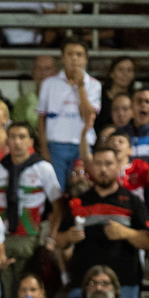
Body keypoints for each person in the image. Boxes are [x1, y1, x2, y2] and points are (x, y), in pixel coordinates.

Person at [57, 145, 149, 298]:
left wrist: (126, 233)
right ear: (92, 167)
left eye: (108, 164)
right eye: (98, 163)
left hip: (124, 284)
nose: (103, 169)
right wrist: (69, 236)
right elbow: (59, 240)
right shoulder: (79, 201)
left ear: (118, 166)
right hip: (83, 283)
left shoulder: (133, 201)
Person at [0, 122, 63, 298]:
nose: (17, 142)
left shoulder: (43, 168)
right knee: (6, 292)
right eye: (12, 137)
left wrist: (51, 238)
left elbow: (58, 207)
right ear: (6, 141)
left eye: (22, 137)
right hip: (1, 239)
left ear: (31, 141)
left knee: (27, 288)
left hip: (30, 239)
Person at [38, 39, 101, 190]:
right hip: (56, 145)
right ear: (62, 57)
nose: (74, 58)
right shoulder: (49, 83)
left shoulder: (94, 84)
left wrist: (80, 86)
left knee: (82, 189)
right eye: (70, 54)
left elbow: (87, 116)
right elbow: (41, 119)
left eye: (79, 55)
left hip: (83, 146)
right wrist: (44, 149)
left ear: (86, 59)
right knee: (56, 191)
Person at [13, 56, 59, 131]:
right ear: (32, 72)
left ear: (56, 73)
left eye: (47, 69)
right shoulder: (23, 100)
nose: (43, 72)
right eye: (39, 68)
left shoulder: (64, 99)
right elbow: (18, 127)